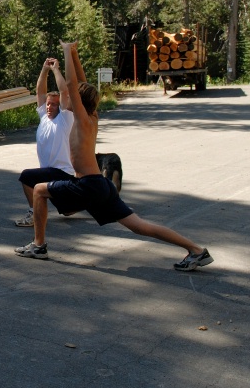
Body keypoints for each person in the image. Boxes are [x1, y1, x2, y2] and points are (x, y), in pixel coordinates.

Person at [15, 40, 214, 271]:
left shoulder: (78, 118)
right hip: (101, 185)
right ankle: (197, 250)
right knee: (139, 226)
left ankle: (38, 246)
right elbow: (81, 82)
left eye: (73, 96)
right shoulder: (92, 117)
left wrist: (67, 51)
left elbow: (71, 83)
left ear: (78, 101)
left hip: (88, 184)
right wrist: (76, 56)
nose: (69, 97)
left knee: (39, 189)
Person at [15, 58, 74, 227]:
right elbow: (40, 91)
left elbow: (64, 91)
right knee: (67, 210)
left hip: (62, 172)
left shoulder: (65, 119)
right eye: (48, 104)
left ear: (60, 107)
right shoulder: (44, 117)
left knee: (27, 177)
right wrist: (44, 69)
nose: (49, 107)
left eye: (54, 105)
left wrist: (55, 70)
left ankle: (34, 214)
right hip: (50, 172)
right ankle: (91, 200)